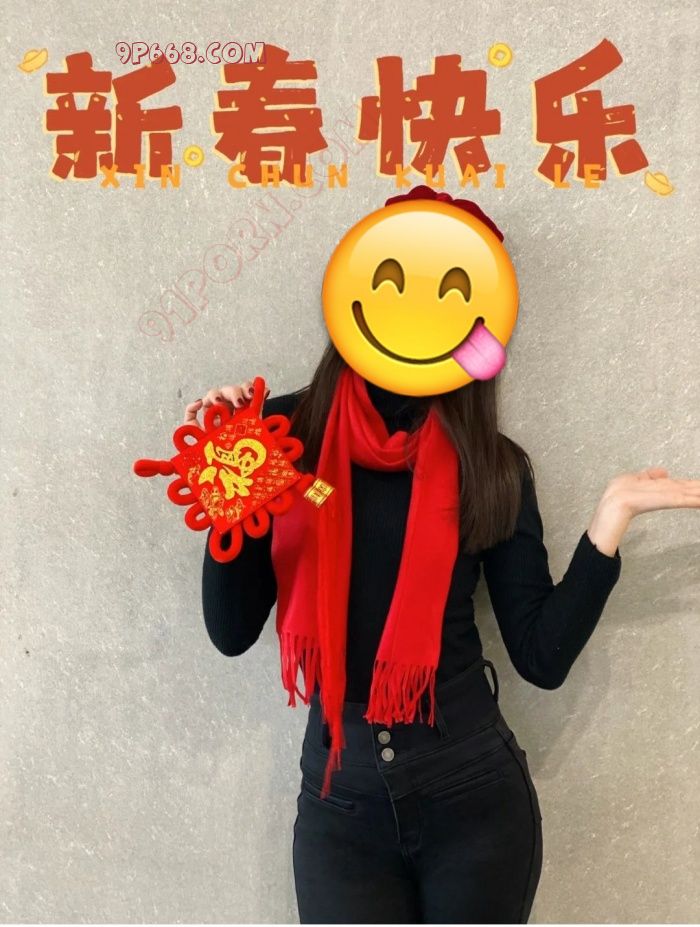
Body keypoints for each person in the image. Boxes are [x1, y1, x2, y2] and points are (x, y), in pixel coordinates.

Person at [185, 250, 700, 926]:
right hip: (340, 800)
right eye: (393, 284)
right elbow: (231, 631)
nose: (413, 310)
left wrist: (611, 518)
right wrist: (230, 473)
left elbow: (540, 658)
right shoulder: (279, 438)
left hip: (472, 792)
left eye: (448, 295)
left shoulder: (488, 462)